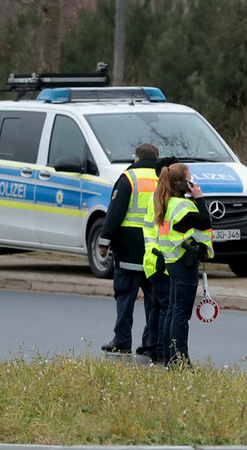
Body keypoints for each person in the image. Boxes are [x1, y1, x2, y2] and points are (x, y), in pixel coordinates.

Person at [98, 143, 162, 356]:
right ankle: (151, 344)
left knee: (125, 297)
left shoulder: (128, 178)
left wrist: (104, 241)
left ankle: (122, 341)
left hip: (128, 249)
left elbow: (115, 213)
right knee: (154, 300)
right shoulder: (163, 179)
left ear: (136, 159)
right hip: (155, 249)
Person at [146, 162, 213, 366]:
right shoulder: (181, 206)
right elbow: (205, 221)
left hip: (172, 261)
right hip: (183, 263)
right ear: (183, 182)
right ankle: (179, 360)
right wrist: (199, 198)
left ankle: (170, 358)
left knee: (174, 312)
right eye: (190, 178)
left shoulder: (168, 201)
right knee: (180, 315)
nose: (193, 182)